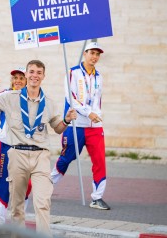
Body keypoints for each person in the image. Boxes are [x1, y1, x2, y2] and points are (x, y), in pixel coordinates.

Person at [0, 60, 77, 235]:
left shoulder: (49, 102)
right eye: (31, 72)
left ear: (43, 76)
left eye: (39, 72)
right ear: (26, 75)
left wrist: (67, 120)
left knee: (42, 203)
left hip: (41, 157)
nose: (35, 75)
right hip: (17, 155)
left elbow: (58, 128)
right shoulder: (10, 98)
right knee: (16, 207)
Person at [51, 42, 110, 210]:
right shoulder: (73, 73)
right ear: (85, 54)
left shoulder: (99, 76)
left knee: (99, 160)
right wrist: (87, 112)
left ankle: (97, 197)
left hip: (95, 127)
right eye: (92, 53)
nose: (94, 57)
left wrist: (96, 115)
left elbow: (97, 101)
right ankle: (48, 184)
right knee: (66, 158)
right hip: (76, 125)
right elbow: (71, 98)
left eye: (97, 54)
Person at [0, 66, 32, 229]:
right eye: (15, 78)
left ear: (26, 81)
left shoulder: (33, 98)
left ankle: (19, 219)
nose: (17, 81)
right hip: (5, 145)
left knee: (27, 184)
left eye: (21, 78)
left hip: (25, 147)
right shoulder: (4, 94)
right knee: (4, 184)